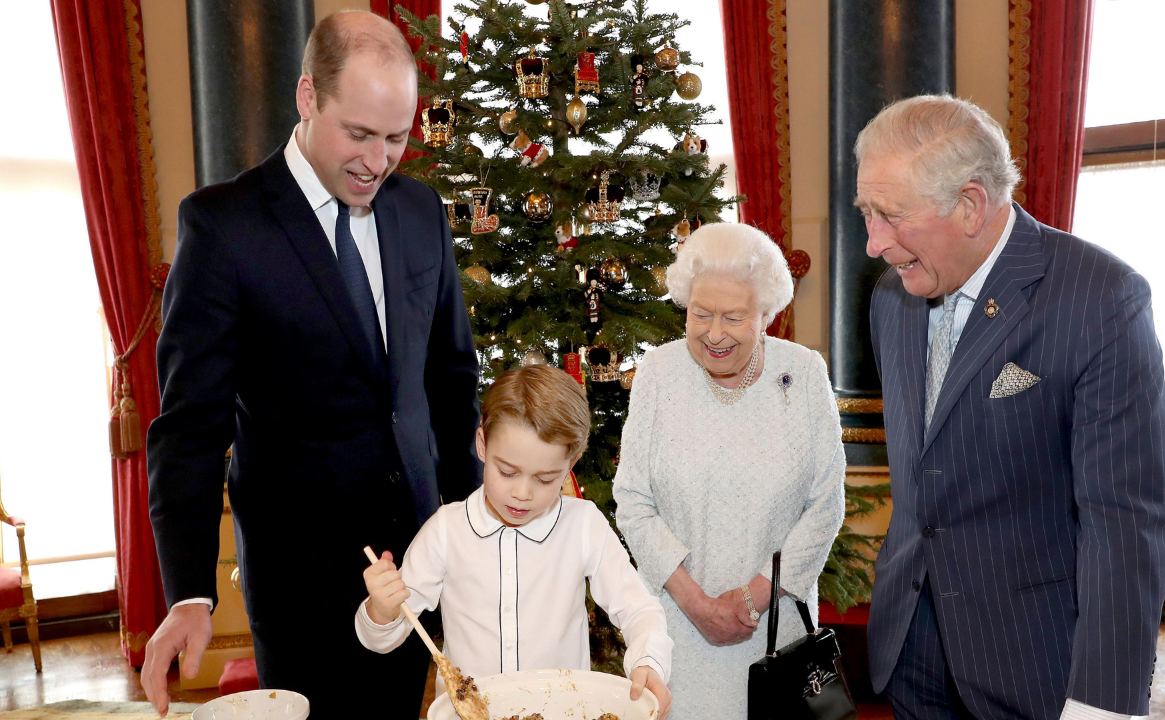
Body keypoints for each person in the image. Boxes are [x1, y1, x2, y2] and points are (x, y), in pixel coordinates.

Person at [142, 11, 482, 719]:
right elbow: (191, 428)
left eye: (395, 138)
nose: (376, 160)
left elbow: (450, 384)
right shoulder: (224, 227)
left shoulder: (420, 211)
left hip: (420, 558)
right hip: (303, 582)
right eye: (357, 134)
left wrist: (467, 529)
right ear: (307, 97)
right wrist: (188, 591)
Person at [858, 94, 1165, 720]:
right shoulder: (891, 299)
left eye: (891, 215)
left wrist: (1102, 703)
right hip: (911, 649)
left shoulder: (1101, 299)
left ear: (971, 204)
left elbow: (1127, 522)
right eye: (866, 212)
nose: (873, 242)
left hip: (1035, 665)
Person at [612, 223, 846, 720]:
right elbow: (632, 500)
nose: (714, 334)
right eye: (701, 314)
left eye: (734, 317)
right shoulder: (657, 373)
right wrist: (697, 604)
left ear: (766, 315)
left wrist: (753, 596)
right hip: (675, 625)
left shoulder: (803, 375)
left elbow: (825, 504)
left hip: (776, 630)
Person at [359, 365, 674, 719]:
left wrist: (648, 660)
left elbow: (640, 609)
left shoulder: (583, 525)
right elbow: (382, 638)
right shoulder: (445, 531)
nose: (522, 494)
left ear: (571, 462)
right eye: (507, 472)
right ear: (482, 444)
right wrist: (382, 612)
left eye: (544, 479)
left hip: (562, 711)